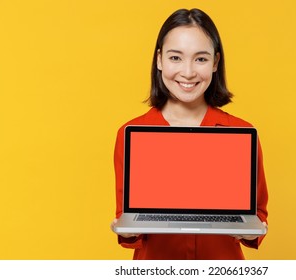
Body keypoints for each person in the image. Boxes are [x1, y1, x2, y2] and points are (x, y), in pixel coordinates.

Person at [110, 8, 268, 260]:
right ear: (159, 60)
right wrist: (128, 228)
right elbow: (127, 221)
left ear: (215, 63)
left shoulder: (241, 133)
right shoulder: (132, 134)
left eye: (201, 59)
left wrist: (251, 230)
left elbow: (259, 214)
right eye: (175, 58)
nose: (188, 72)